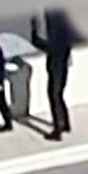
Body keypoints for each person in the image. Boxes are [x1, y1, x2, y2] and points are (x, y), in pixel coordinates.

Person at [30, 10, 73, 140]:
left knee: (54, 96)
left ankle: (58, 129)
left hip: (55, 68)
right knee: (59, 95)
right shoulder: (64, 40)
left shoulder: (54, 42)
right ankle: (65, 123)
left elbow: (40, 44)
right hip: (63, 68)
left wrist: (34, 31)